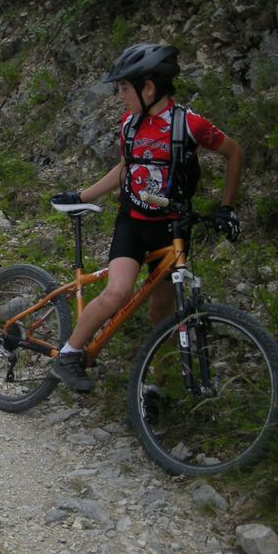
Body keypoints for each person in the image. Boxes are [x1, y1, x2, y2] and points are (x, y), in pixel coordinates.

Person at [49, 42, 243, 393]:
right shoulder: (130, 124)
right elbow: (126, 169)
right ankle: (69, 353)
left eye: (124, 88)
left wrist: (227, 207)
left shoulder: (189, 124)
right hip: (133, 225)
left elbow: (233, 152)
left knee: (161, 314)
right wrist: (83, 196)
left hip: (172, 231)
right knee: (117, 291)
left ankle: (160, 388)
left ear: (148, 88)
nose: (120, 95)